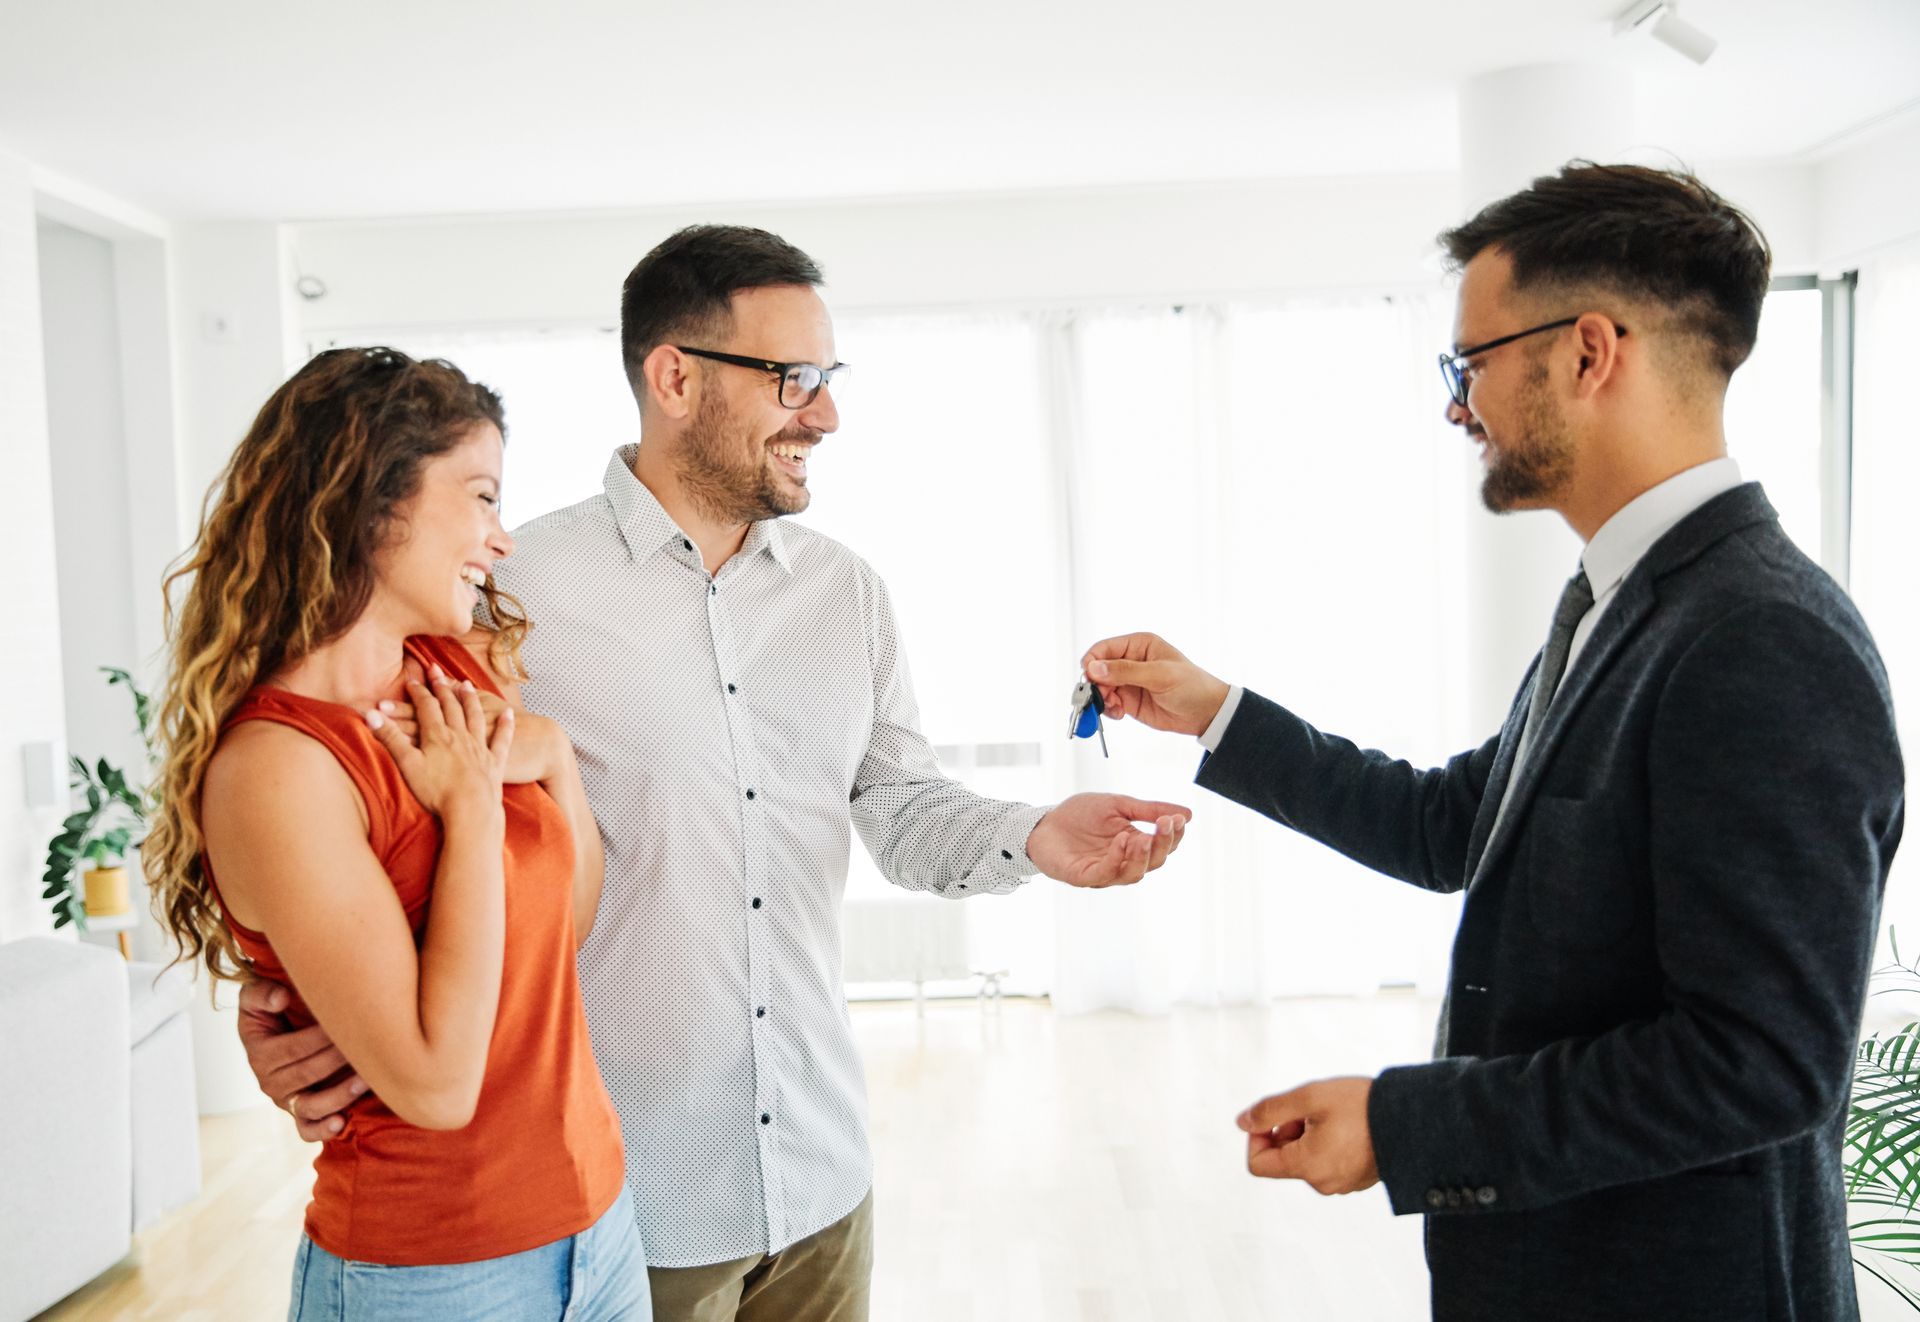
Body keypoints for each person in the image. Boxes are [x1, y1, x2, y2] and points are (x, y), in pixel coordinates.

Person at [239, 225, 1193, 1322]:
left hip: (823, 1180)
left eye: (827, 378)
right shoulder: (503, 590)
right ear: (675, 377)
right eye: (793, 379)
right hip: (620, 1209)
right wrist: (287, 1010)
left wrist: (1034, 835)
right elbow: (350, 814)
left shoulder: (848, 594)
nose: (824, 416)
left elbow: (899, 805)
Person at [1081, 163, 1905, 1321]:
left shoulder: (1760, 638)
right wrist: (1214, 709)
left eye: (1468, 362)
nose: (1457, 406)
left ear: (1588, 352)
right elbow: (1457, 822)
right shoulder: (1626, 600)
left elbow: (1758, 1062)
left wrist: (1403, 1122)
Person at [145, 348, 650, 1319]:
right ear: (373, 501)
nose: (502, 538)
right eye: (482, 495)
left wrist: (552, 756)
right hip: (434, 1275)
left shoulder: (456, 671)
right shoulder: (277, 769)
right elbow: (436, 1084)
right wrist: (471, 808)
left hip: (601, 1229)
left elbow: (565, 928)